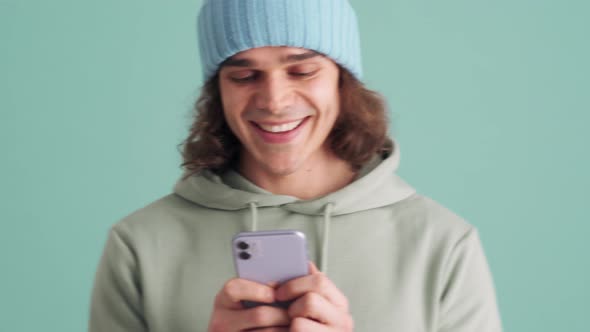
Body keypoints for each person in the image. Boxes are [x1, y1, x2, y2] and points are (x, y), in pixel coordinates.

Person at [89, 0, 503, 331]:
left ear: (342, 82)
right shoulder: (139, 244)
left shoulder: (443, 244)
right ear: (217, 91)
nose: (274, 100)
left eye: (302, 71)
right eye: (245, 76)